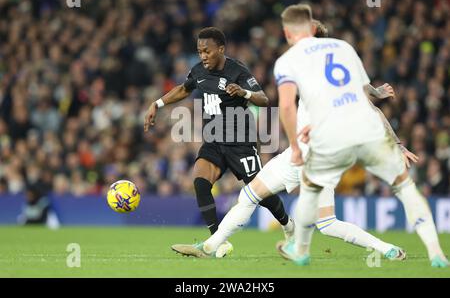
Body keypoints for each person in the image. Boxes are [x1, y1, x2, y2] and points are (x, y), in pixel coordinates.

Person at [169, 20, 412, 261]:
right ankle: (386, 248)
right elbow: (369, 102)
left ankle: (212, 246)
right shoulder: (335, 74)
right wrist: (392, 132)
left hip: (307, 156)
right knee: (323, 222)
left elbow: (283, 104)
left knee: (254, 197)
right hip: (316, 159)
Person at [273, 4, 448, 267]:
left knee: (304, 195)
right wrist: (396, 143)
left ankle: (300, 248)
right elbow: (370, 104)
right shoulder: (343, 52)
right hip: (365, 137)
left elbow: (288, 106)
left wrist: (301, 141)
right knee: (404, 189)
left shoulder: (301, 70)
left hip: (328, 145)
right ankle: (434, 252)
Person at [144, 27, 294, 257]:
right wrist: (158, 103)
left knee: (260, 193)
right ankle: (218, 240)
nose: (203, 56)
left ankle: (288, 225)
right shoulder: (199, 71)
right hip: (214, 140)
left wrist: (244, 93)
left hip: (240, 142)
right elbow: (184, 89)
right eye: (199, 51)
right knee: (201, 182)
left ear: (221, 49)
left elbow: (263, 99)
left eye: (207, 51)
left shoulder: (237, 71)